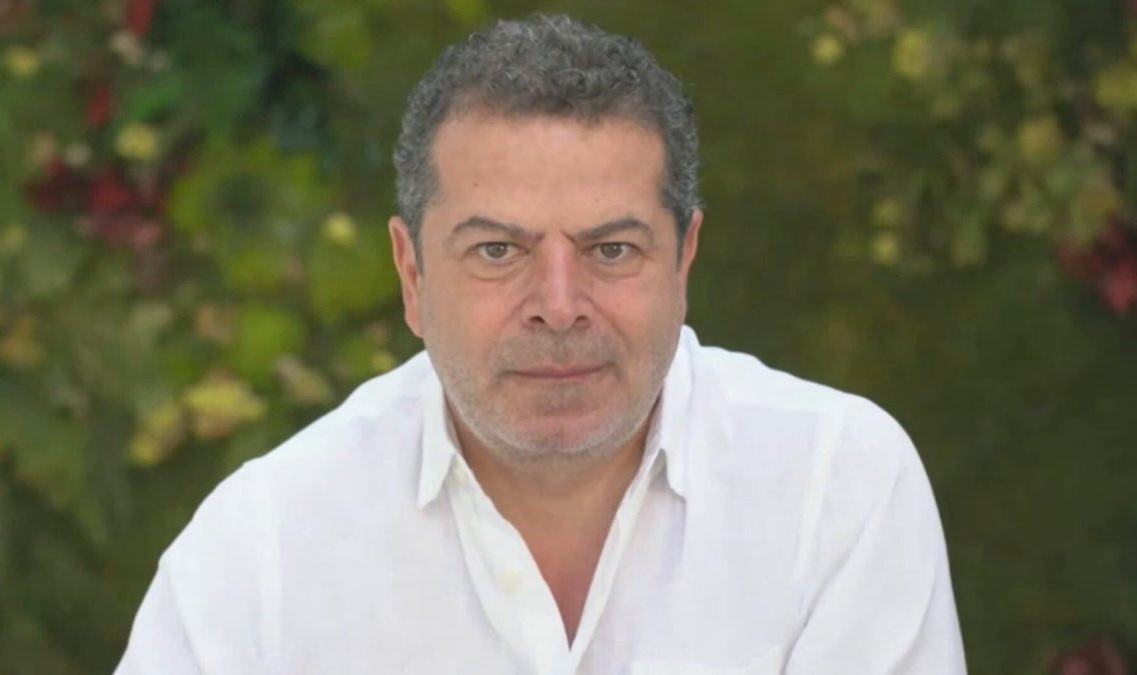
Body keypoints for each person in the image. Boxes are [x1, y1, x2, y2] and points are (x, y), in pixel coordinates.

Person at [116, 14, 967, 674]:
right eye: (498, 251)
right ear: (411, 274)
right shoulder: (260, 546)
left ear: (684, 261)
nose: (559, 307)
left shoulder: (835, 487)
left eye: (611, 250)